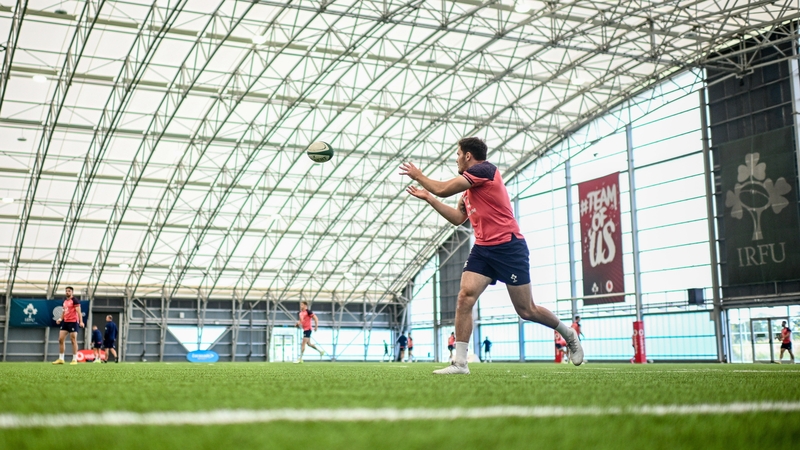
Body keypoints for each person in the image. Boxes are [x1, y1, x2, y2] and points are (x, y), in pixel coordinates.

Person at [401, 137, 584, 374]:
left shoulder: (485, 170)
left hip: (509, 247)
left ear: (468, 156)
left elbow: (443, 188)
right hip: (483, 249)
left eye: (458, 154)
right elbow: (458, 219)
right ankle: (460, 363)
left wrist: (419, 175)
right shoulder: (468, 189)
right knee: (464, 297)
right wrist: (429, 198)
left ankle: (568, 333)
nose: (456, 158)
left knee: (526, 310)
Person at [52, 286, 84, 365]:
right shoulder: (65, 302)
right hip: (65, 322)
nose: (67, 292)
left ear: (72, 292)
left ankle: (74, 359)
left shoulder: (75, 300)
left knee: (73, 340)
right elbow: (63, 312)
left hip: (73, 322)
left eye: (69, 291)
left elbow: (79, 312)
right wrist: (60, 319)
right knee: (60, 339)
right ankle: (61, 358)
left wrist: (81, 322)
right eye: (66, 291)